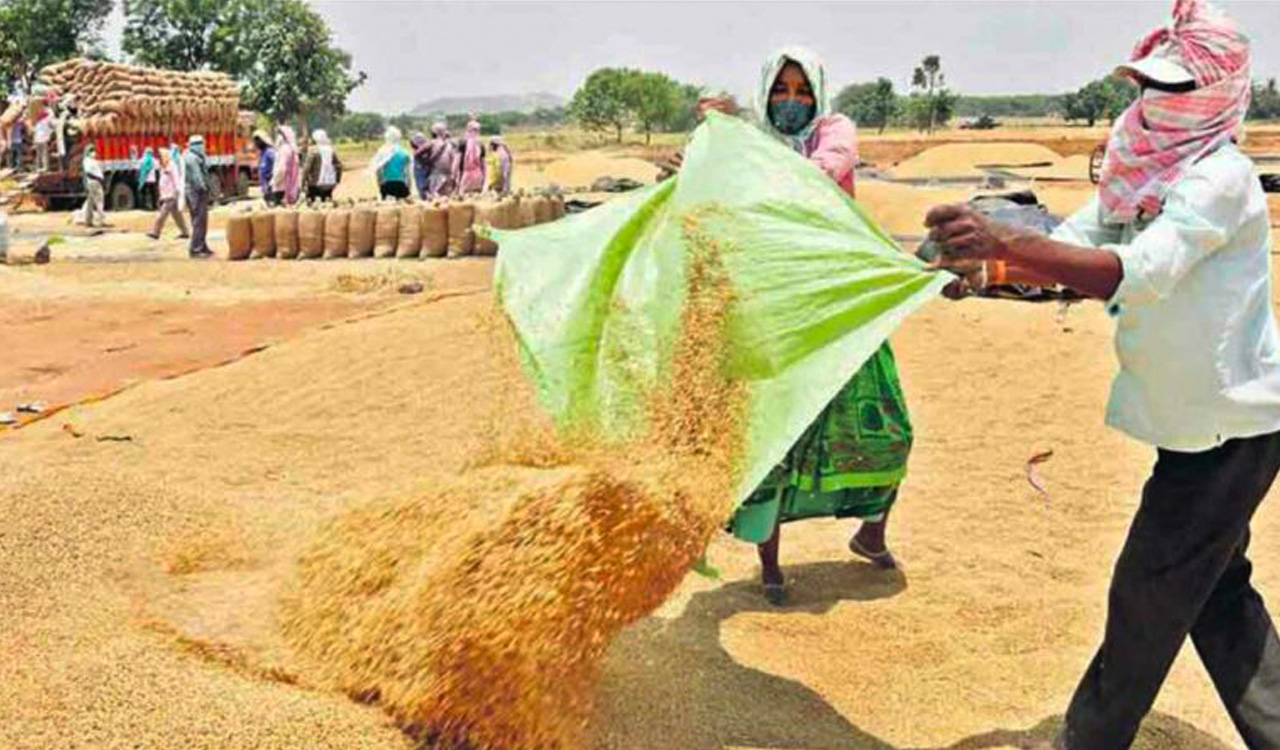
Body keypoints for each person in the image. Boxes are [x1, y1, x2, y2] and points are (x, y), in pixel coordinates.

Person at [926, 3, 1280, 748]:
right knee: (1216, 596)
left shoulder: (1219, 178)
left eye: (1177, 90)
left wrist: (1008, 240)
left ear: (1219, 95)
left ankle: (1087, 741)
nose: (1157, 105)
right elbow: (1080, 244)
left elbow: (1139, 272)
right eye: (1150, 87)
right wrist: (988, 270)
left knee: (1146, 594)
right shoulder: (1139, 171)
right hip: (1193, 423)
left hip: (1231, 427)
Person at [692, 47, 899, 606]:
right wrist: (720, 137)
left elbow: (829, 168)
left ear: (818, 93)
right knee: (775, 437)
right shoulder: (753, 142)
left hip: (839, 304)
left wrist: (744, 151)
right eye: (780, 91)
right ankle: (771, 565)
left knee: (888, 427)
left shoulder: (834, 131)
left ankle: (870, 532)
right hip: (775, 308)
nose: (791, 101)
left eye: (801, 90)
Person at [145, 147, 189, 240]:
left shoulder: (172, 165)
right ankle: (185, 232)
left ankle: (155, 232)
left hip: (171, 195)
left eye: (161, 156)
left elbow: (176, 179)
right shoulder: (163, 166)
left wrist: (178, 192)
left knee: (162, 214)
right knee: (177, 216)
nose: (159, 158)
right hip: (166, 195)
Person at [183, 135, 214, 259]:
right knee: (198, 221)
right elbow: (197, 177)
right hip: (195, 192)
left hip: (196, 191)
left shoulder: (196, 157)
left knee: (202, 221)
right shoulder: (191, 158)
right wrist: (205, 189)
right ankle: (196, 249)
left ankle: (202, 246)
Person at [371, 126, 411, 200]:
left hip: (387, 185)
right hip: (401, 185)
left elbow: (378, 172)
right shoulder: (404, 153)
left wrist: (380, 185)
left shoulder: (383, 153)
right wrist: (408, 188)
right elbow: (408, 174)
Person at [303, 129, 342, 202]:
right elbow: (339, 166)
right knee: (326, 200)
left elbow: (306, 168)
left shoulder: (313, 150)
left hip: (316, 184)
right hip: (330, 184)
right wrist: (337, 180)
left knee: (311, 199)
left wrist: (302, 183)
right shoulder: (331, 150)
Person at [424, 122, 458, 198]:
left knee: (435, 201)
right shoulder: (451, 145)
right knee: (447, 200)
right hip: (448, 177)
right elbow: (454, 161)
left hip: (435, 176)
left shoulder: (431, 143)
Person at [271, 124, 301, 206]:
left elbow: (282, 169)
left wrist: (274, 181)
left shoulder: (284, 149)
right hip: (292, 188)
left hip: (281, 188)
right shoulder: (293, 149)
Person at [455, 118, 486, 195]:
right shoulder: (481, 144)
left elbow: (456, 161)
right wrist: (483, 179)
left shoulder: (462, 143)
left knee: (462, 199)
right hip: (478, 176)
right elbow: (483, 165)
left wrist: (454, 175)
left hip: (464, 176)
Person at [80, 143, 106, 228]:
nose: (94, 152)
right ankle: (101, 220)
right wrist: (99, 179)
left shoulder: (93, 161)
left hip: (94, 182)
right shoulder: (87, 161)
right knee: (99, 201)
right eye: (92, 151)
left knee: (90, 202)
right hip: (94, 182)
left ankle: (88, 220)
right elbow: (88, 173)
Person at [252, 130, 277, 205]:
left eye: (257, 141)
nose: (256, 143)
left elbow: (276, 166)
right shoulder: (262, 153)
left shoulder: (270, 152)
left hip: (271, 185)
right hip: (265, 186)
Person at [410, 131, 432, 199]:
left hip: (420, 169)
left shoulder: (417, 155)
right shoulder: (427, 152)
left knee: (422, 187)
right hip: (424, 168)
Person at [32, 107, 51, 173]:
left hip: (38, 140)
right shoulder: (46, 122)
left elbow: (35, 132)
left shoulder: (37, 123)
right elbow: (49, 130)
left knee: (39, 154)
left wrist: (34, 141)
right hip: (44, 140)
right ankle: (45, 168)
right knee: (44, 154)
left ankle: (38, 167)